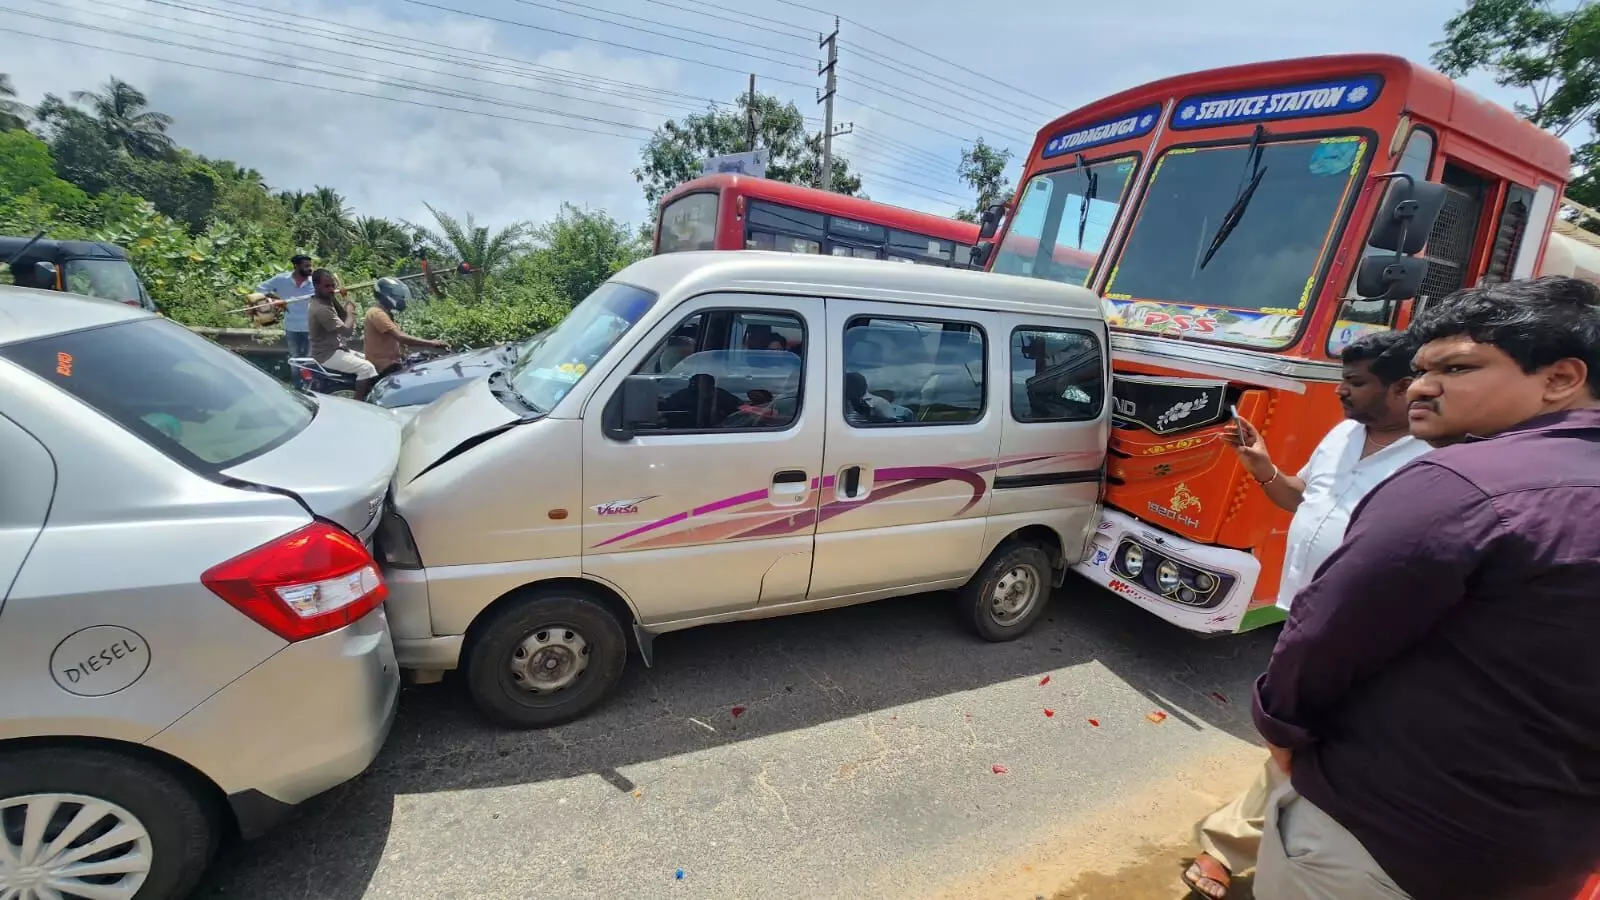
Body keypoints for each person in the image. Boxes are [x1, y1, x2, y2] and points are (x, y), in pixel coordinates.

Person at [1252, 276, 1600, 900]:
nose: (1421, 387)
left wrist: (1279, 729)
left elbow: (1329, 633)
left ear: (1559, 378)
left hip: (1382, 837)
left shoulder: (1463, 481)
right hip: (1543, 858)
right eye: (1420, 370)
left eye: (1457, 368)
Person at [1183, 330, 1432, 899]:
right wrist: (1262, 467)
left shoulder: (1434, 458)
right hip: (1301, 612)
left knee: (1300, 740)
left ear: (1401, 387)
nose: (1340, 391)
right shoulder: (1343, 433)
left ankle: (1235, 847)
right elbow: (1301, 497)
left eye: (1355, 382)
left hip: (1358, 630)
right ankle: (1247, 844)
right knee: (1292, 736)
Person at [306, 268, 378, 400]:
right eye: (327, 286)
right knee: (366, 368)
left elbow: (342, 315)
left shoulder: (325, 300)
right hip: (327, 354)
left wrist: (344, 298)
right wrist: (351, 311)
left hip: (337, 349)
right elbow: (347, 331)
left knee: (374, 360)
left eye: (333, 286)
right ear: (316, 286)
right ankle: (358, 402)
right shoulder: (320, 309)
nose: (331, 289)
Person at [363, 276, 447, 380]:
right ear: (385, 295)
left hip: (393, 363)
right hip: (385, 367)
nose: (400, 298)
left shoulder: (384, 312)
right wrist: (433, 343)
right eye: (396, 295)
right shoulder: (377, 313)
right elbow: (401, 337)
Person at [258, 254, 316, 359]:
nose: (310, 269)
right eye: (306, 266)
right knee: (295, 358)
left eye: (310, 266)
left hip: (311, 328)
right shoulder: (281, 280)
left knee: (310, 359)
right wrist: (275, 300)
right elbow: (260, 289)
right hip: (291, 327)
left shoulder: (315, 282)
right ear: (296, 266)